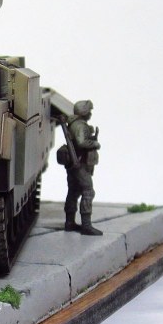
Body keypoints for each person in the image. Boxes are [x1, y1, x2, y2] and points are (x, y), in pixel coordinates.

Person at [63, 100, 103, 236]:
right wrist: (95, 143)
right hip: (80, 163)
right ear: (84, 112)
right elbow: (81, 142)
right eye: (89, 111)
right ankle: (86, 225)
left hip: (74, 163)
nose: (90, 113)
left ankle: (69, 222)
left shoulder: (74, 124)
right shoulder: (80, 125)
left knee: (73, 192)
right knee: (88, 191)